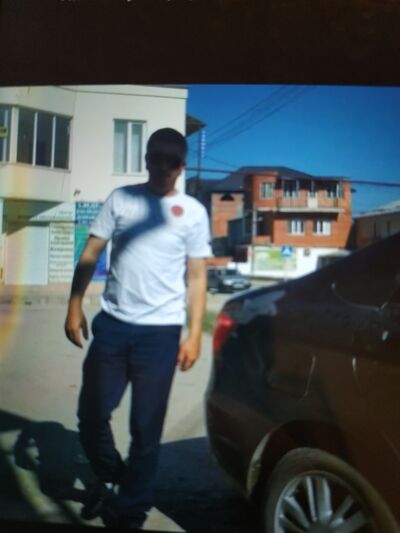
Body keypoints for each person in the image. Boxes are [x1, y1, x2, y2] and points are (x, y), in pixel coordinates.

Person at [64, 128, 211, 529]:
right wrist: (74, 305)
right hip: (113, 325)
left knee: (146, 430)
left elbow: (197, 276)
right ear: (146, 159)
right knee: (91, 415)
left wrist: (194, 334)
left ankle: (131, 510)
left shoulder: (193, 212)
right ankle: (113, 475)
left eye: (171, 160)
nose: (162, 166)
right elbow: (91, 251)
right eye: (156, 157)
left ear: (181, 166)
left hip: (160, 334)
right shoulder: (122, 199)